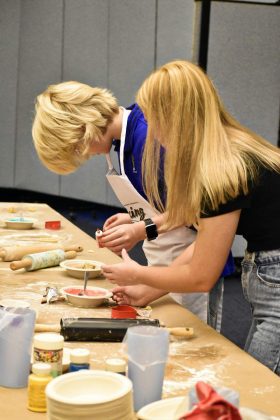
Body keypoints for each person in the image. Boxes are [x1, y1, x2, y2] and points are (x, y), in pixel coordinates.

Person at [102, 60, 280, 374]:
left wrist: (139, 275)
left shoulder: (221, 171)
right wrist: (149, 286)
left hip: (274, 281)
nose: (152, 130)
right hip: (266, 275)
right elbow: (200, 238)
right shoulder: (229, 144)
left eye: (154, 118)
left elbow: (201, 276)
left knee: (259, 386)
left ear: (174, 118)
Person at [32, 80, 234, 331]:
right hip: (166, 261)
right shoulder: (122, 142)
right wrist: (135, 219)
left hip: (194, 260)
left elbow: (196, 208)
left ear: (83, 128)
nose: (86, 155)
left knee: (192, 340)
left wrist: (141, 230)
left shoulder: (149, 138)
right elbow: (166, 201)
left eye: (78, 149)